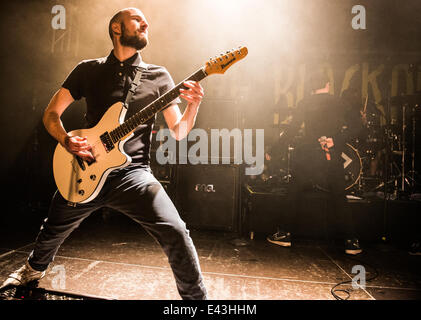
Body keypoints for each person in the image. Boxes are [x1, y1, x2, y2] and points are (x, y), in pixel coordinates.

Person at [2, 7, 207, 300]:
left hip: (133, 174)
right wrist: (66, 140)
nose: (145, 22)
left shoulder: (159, 77)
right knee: (52, 231)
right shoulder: (88, 69)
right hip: (85, 165)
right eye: (137, 19)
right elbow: (51, 114)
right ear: (116, 28)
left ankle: (198, 302)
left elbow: (178, 131)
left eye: (145, 20)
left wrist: (194, 106)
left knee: (175, 231)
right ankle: (32, 270)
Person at [266, 68, 363, 255]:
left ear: (311, 88)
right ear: (328, 84)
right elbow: (358, 126)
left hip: (309, 154)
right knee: (339, 196)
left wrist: (274, 151)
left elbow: (292, 130)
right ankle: (352, 241)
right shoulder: (340, 102)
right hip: (331, 153)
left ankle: (284, 234)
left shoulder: (305, 102)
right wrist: (336, 139)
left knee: (294, 190)